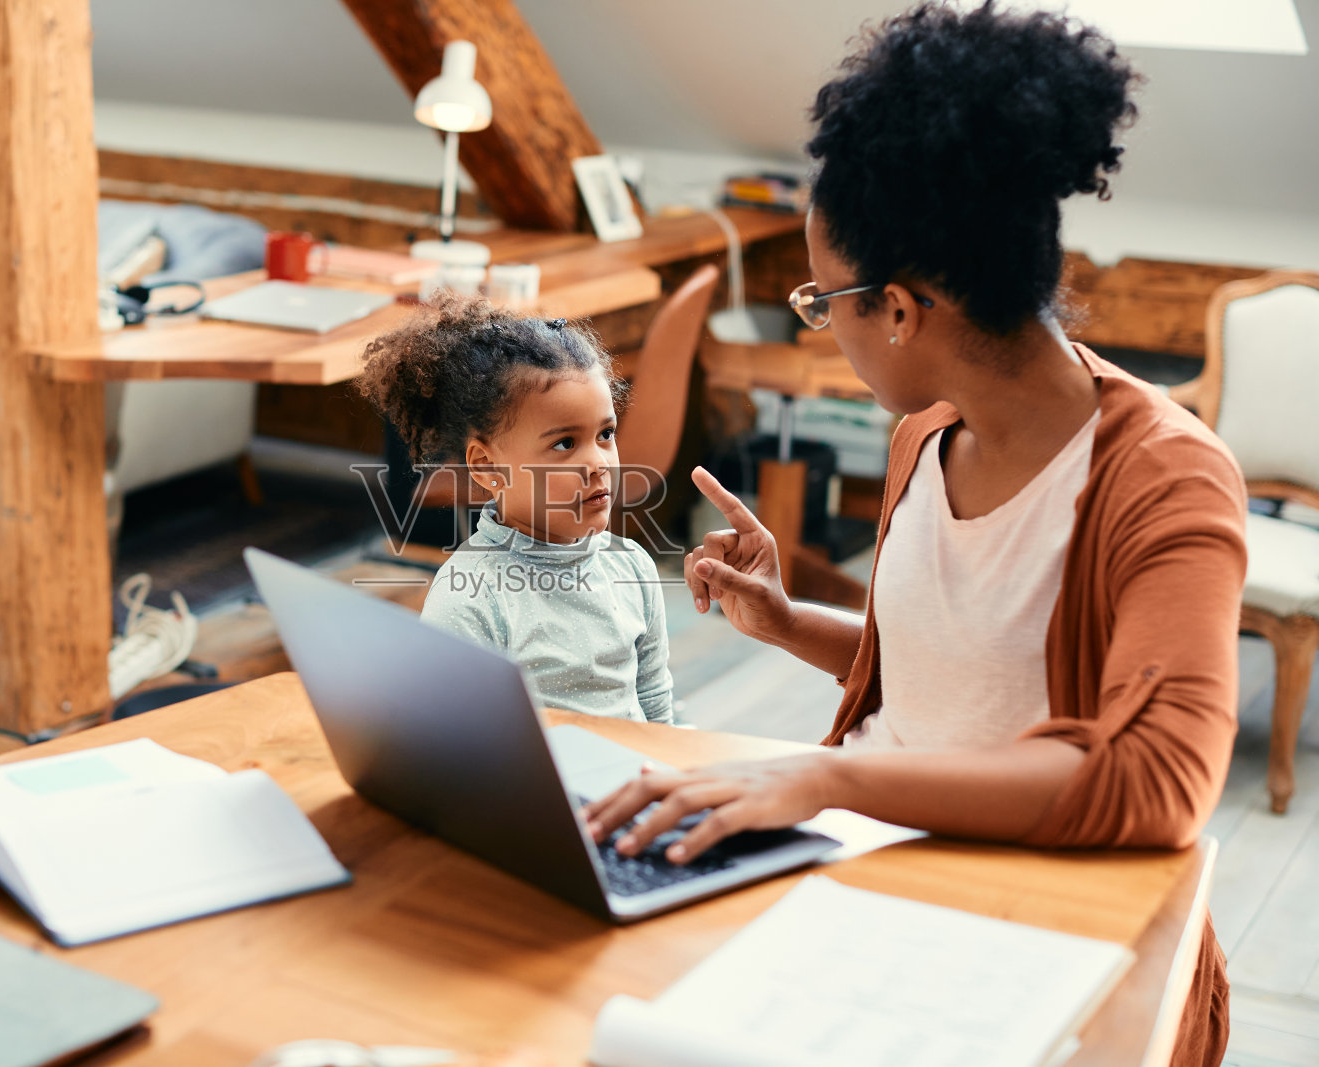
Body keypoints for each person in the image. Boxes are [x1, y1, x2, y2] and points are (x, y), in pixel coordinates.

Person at [583, 4, 1244, 1062]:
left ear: (896, 309)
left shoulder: (1164, 479)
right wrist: (792, 621)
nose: (823, 324)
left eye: (819, 301)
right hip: (865, 860)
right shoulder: (926, 435)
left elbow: (1155, 781)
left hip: (1018, 910)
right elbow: (962, 679)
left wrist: (826, 776)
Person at [356, 293, 674, 723]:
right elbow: (454, 736)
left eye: (606, 434)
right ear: (487, 467)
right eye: (565, 443)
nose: (599, 463)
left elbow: (654, 701)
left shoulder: (633, 567)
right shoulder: (471, 597)